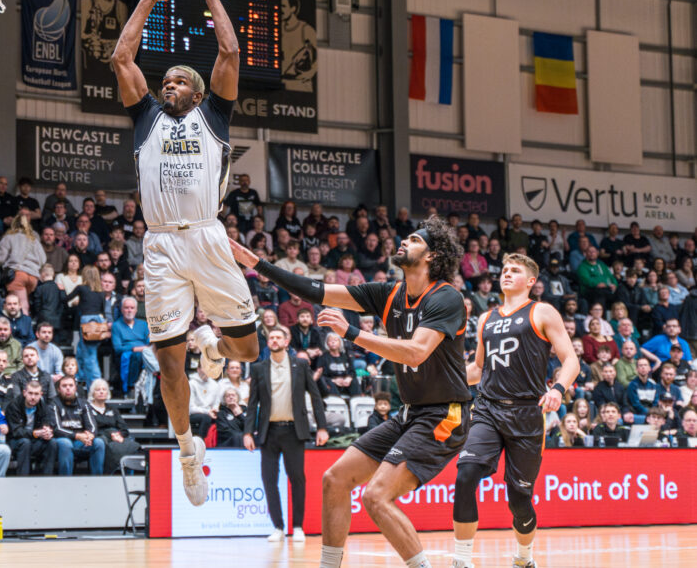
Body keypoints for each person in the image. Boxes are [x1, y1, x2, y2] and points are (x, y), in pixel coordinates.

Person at [234, 215, 468, 568]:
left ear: (432, 257)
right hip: (411, 413)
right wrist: (258, 264)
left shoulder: (446, 298)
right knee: (335, 480)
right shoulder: (389, 293)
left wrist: (352, 334)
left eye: (415, 240)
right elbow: (314, 290)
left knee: (376, 497)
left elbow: (417, 352)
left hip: (444, 414)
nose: (403, 242)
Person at [111, 0, 258, 505]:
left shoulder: (214, 115)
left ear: (196, 93)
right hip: (162, 245)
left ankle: (212, 344)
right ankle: (187, 450)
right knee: (169, 362)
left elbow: (229, 51)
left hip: (206, 235)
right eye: (164, 80)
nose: (167, 84)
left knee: (245, 351)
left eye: (177, 81)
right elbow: (122, 56)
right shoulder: (146, 117)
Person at [453, 254, 579, 568]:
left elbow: (571, 361)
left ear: (532, 281)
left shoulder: (542, 311)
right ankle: (462, 560)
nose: (507, 274)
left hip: (527, 414)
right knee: (465, 474)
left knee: (519, 498)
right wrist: (444, 374)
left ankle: (524, 558)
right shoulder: (486, 318)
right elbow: (479, 369)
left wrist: (557, 389)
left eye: (515, 271)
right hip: (488, 410)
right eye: (505, 270)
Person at [242, 325, 329, 542]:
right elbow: (252, 404)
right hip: (268, 432)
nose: (274, 340)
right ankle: (278, 527)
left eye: (278, 337)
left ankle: (298, 526)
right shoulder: (259, 368)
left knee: (297, 478)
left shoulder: (300, 365)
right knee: (269, 480)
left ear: (286, 341)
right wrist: (247, 432)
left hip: (293, 430)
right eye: (271, 337)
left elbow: (316, 397)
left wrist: (322, 427)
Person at [50, 375, 105, 475]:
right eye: (64, 386)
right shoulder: (53, 403)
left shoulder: (83, 403)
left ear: (75, 388)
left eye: (71, 385)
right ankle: (65, 481)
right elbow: (56, 428)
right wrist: (77, 436)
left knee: (99, 443)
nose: (68, 388)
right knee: (65, 443)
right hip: (62, 439)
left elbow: (92, 426)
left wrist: (90, 436)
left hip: (81, 442)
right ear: (58, 389)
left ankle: (98, 481)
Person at [4, 379, 57, 475]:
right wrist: (34, 433)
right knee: (25, 442)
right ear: (24, 393)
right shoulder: (14, 406)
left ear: (41, 394)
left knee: (52, 442)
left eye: (36, 394)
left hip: (34, 440)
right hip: (15, 441)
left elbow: (48, 420)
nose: (33, 397)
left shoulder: (42, 405)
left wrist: (47, 431)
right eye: (30, 393)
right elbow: (16, 431)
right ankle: (23, 479)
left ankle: (47, 478)